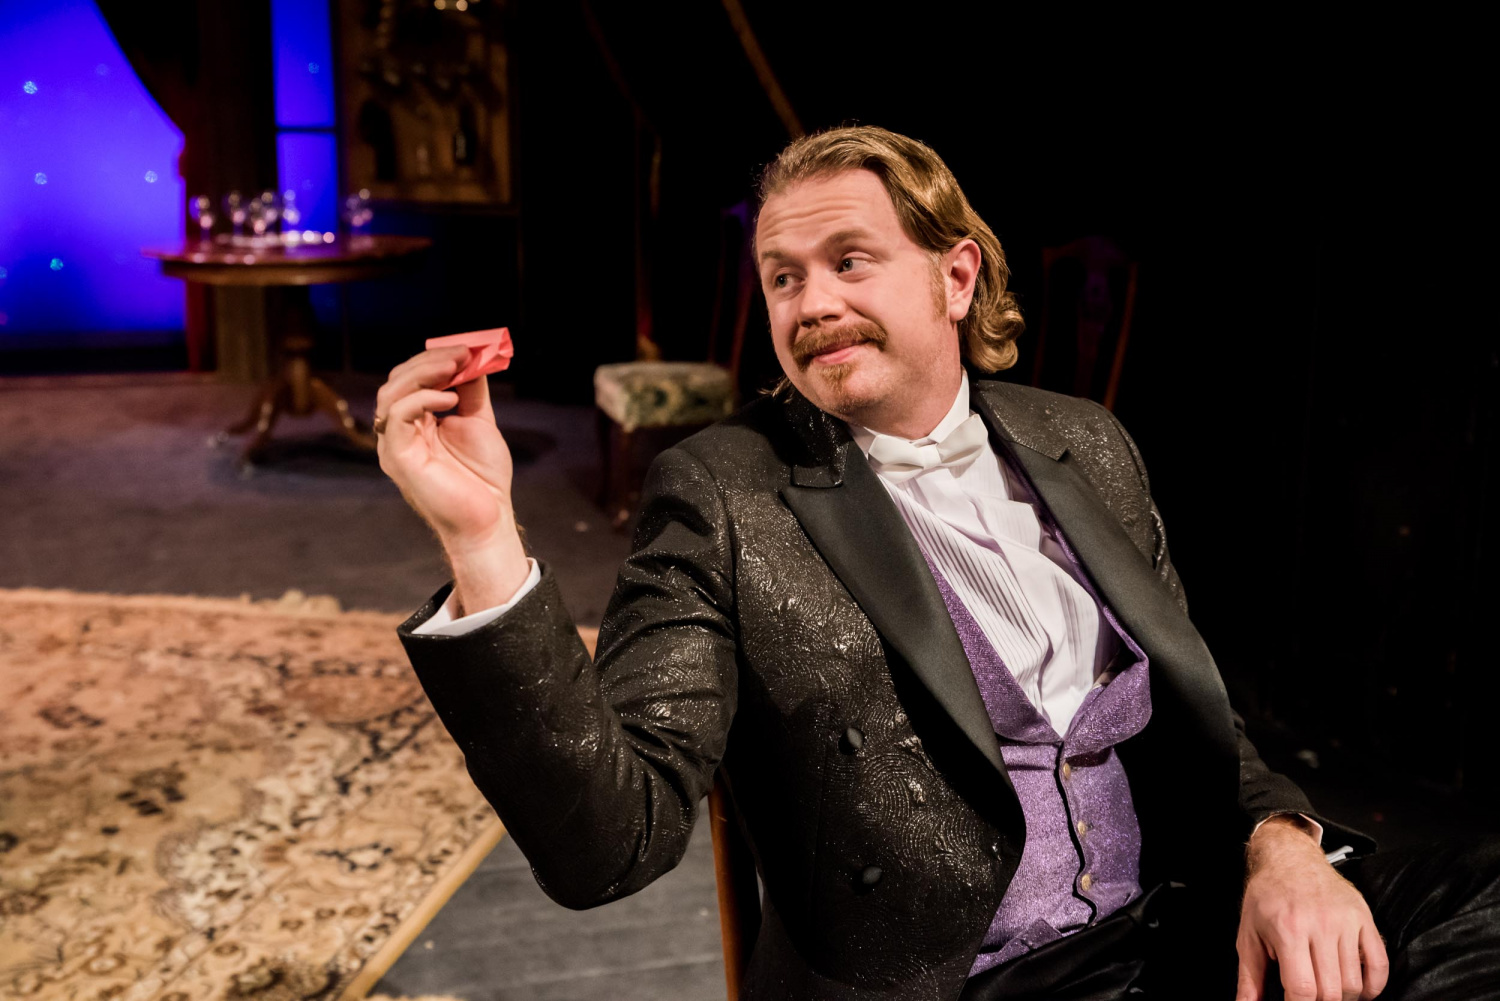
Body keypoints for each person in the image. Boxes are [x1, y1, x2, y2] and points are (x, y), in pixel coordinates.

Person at [374, 126, 1497, 1000]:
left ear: (955, 278)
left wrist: (1282, 844)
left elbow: (1202, 726)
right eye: (782, 277)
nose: (813, 302)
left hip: (1178, 915)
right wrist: (483, 540)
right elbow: (607, 844)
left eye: (848, 260)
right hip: (975, 976)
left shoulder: (1086, 443)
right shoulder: (723, 492)